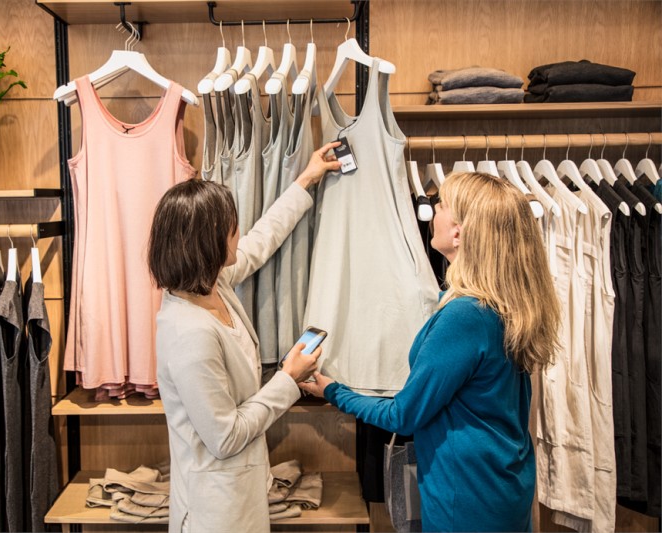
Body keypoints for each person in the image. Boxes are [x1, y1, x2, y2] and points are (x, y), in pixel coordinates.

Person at [301, 171, 561, 532]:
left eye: (441, 205)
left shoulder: (466, 316)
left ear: (459, 231)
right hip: (503, 482)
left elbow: (403, 415)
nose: (432, 211)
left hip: (468, 496)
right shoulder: (503, 303)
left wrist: (333, 390)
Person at [148, 141, 342, 533]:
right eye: (231, 228)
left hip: (237, 495)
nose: (238, 233)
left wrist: (305, 180)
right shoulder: (189, 333)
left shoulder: (210, 284)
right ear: (209, 242)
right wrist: (288, 379)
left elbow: (259, 241)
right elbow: (225, 436)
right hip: (214, 512)